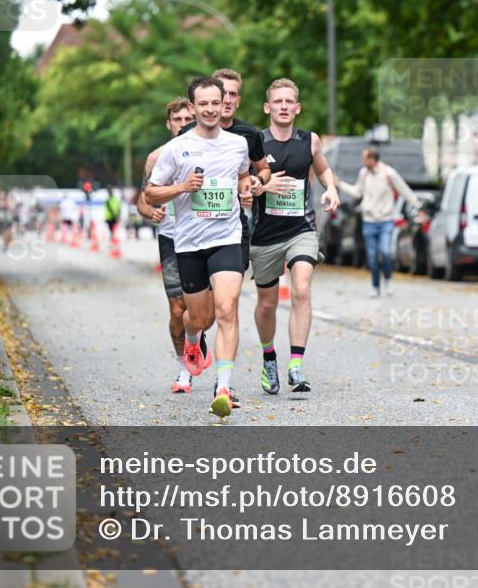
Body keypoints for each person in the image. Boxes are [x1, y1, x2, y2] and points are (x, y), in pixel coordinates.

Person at [145, 77, 254, 418]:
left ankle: (223, 388)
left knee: (227, 309)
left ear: (224, 104)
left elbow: (242, 176)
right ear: (192, 108)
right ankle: (192, 340)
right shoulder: (176, 148)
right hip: (190, 243)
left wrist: (247, 188)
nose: (210, 109)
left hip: (227, 238)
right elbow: (150, 192)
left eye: (215, 103)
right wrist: (182, 186)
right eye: (203, 104)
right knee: (201, 318)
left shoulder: (238, 144)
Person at [250, 78, 340, 394]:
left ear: (297, 108)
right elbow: (244, 184)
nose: (284, 107)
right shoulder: (255, 143)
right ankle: (269, 358)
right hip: (264, 234)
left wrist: (331, 188)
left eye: (289, 102)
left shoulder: (309, 140)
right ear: (268, 107)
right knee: (267, 304)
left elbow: (323, 169)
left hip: (301, 229)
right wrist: (260, 186)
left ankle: (296, 366)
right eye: (278, 101)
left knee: (301, 288)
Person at [179, 68, 271, 273]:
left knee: (229, 287)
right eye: (224, 94)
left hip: (232, 225)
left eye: (233, 94)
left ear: (238, 100)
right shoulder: (186, 134)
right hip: (195, 227)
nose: (228, 100)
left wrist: (257, 182)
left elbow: (264, 169)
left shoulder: (248, 134)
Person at [137, 97, 193, 393]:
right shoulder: (156, 157)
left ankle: (195, 338)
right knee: (177, 308)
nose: (183, 124)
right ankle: (184, 368)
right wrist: (151, 213)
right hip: (171, 237)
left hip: (202, 237)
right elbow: (142, 202)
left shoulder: (210, 150)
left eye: (187, 119)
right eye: (177, 120)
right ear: (168, 124)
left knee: (204, 309)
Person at [338, 146, 419, 297]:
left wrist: (416, 205)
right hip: (369, 221)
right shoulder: (364, 173)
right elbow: (357, 192)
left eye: (365, 158)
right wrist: (340, 184)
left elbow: (404, 190)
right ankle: (375, 285)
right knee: (372, 256)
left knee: (386, 252)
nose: (363, 161)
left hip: (386, 220)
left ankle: (387, 280)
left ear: (372, 159)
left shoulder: (389, 173)